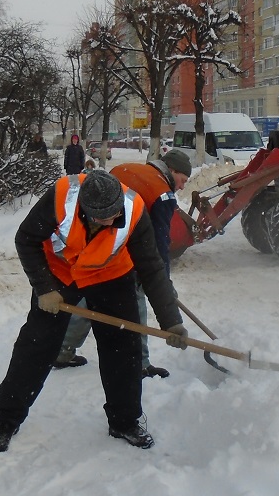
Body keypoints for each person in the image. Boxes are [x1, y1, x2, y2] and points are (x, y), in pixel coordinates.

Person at [0, 170, 188, 453]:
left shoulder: (133, 210)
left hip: (111, 274)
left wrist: (172, 323)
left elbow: (151, 267)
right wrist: (44, 288)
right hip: (60, 274)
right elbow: (27, 239)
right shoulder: (61, 197)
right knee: (36, 344)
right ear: (86, 209)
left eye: (114, 215)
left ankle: (124, 421)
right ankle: (7, 420)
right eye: (103, 218)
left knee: (124, 346)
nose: (111, 221)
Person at [54, 148, 193, 378]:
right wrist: (163, 286)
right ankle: (140, 363)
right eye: (182, 179)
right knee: (135, 300)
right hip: (121, 250)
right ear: (172, 170)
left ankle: (61, 350)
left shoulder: (128, 169)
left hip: (93, 240)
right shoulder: (163, 194)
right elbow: (157, 247)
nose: (182, 186)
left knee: (91, 298)